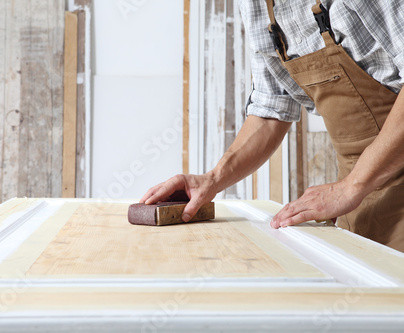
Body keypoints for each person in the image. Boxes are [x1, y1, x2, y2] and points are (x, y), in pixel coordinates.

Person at [140, 0, 404, 252]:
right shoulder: (256, 6)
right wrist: (212, 179)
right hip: (356, 197)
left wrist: (352, 186)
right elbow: (271, 107)